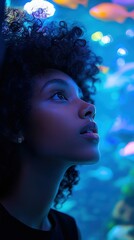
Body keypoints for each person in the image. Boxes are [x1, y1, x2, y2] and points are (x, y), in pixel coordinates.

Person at [0, 8, 102, 240]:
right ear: (13, 124)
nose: (89, 107)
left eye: (80, 94)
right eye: (59, 95)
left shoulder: (69, 230)